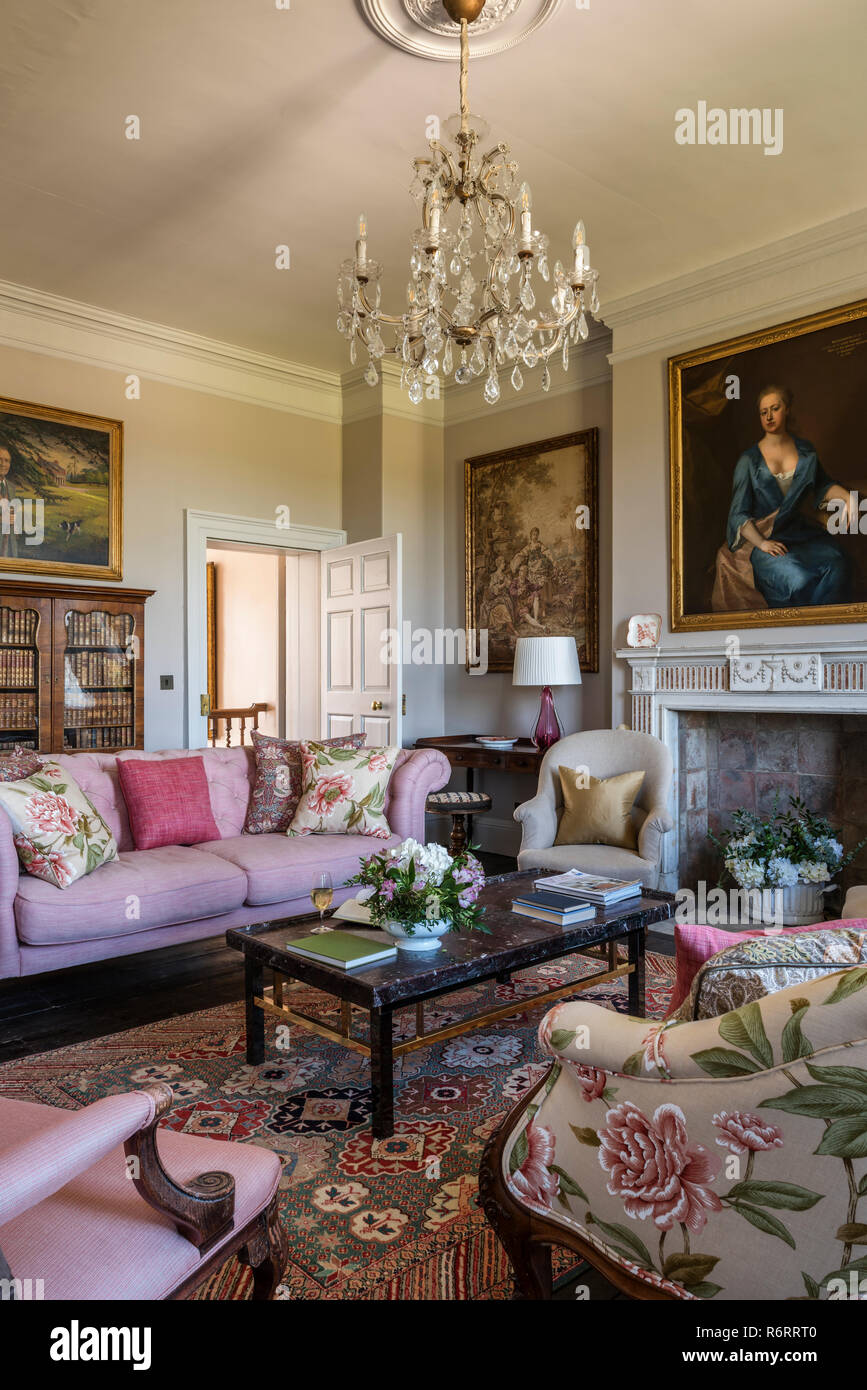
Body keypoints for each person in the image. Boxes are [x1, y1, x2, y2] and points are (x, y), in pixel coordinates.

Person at [714, 385, 854, 610]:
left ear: (787, 409)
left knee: (838, 564)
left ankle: (821, 626)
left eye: (775, 408)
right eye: (763, 412)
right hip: (765, 540)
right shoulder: (748, 461)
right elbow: (738, 513)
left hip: (799, 534)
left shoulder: (806, 451)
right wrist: (763, 543)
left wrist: (847, 497)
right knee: (799, 581)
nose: (769, 416)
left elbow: (822, 486)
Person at [0, 440, 19, 560]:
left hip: (8, 549)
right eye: (0, 459)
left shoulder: (11, 487)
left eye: (7, 461)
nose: (3, 464)